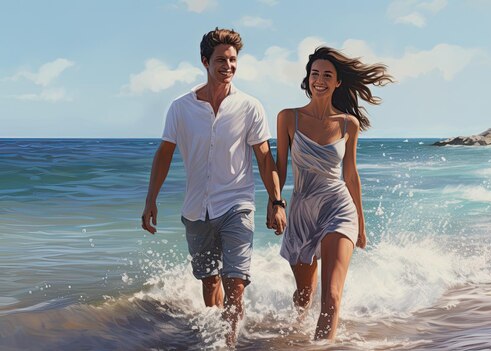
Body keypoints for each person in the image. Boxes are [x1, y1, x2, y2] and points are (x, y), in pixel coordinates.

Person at [141, 27, 287, 346]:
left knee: (236, 282)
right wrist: (151, 199)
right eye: (221, 59)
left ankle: (228, 343)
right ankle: (218, 337)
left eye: (233, 60)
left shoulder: (250, 107)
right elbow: (164, 154)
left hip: (237, 205)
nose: (228, 66)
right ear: (205, 61)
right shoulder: (181, 108)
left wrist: (277, 201)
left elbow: (264, 158)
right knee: (210, 283)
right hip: (196, 210)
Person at [271, 46, 392, 340]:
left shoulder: (348, 124)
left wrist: (361, 224)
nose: (320, 80)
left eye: (327, 75)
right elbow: (279, 168)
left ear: (338, 82)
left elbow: (350, 175)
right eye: (315, 74)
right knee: (303, 295)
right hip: (301, 210)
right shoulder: (289, 118)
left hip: (338, 207)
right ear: (308, 79)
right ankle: (297, 335)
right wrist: (275, 203)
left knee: (332, 298)